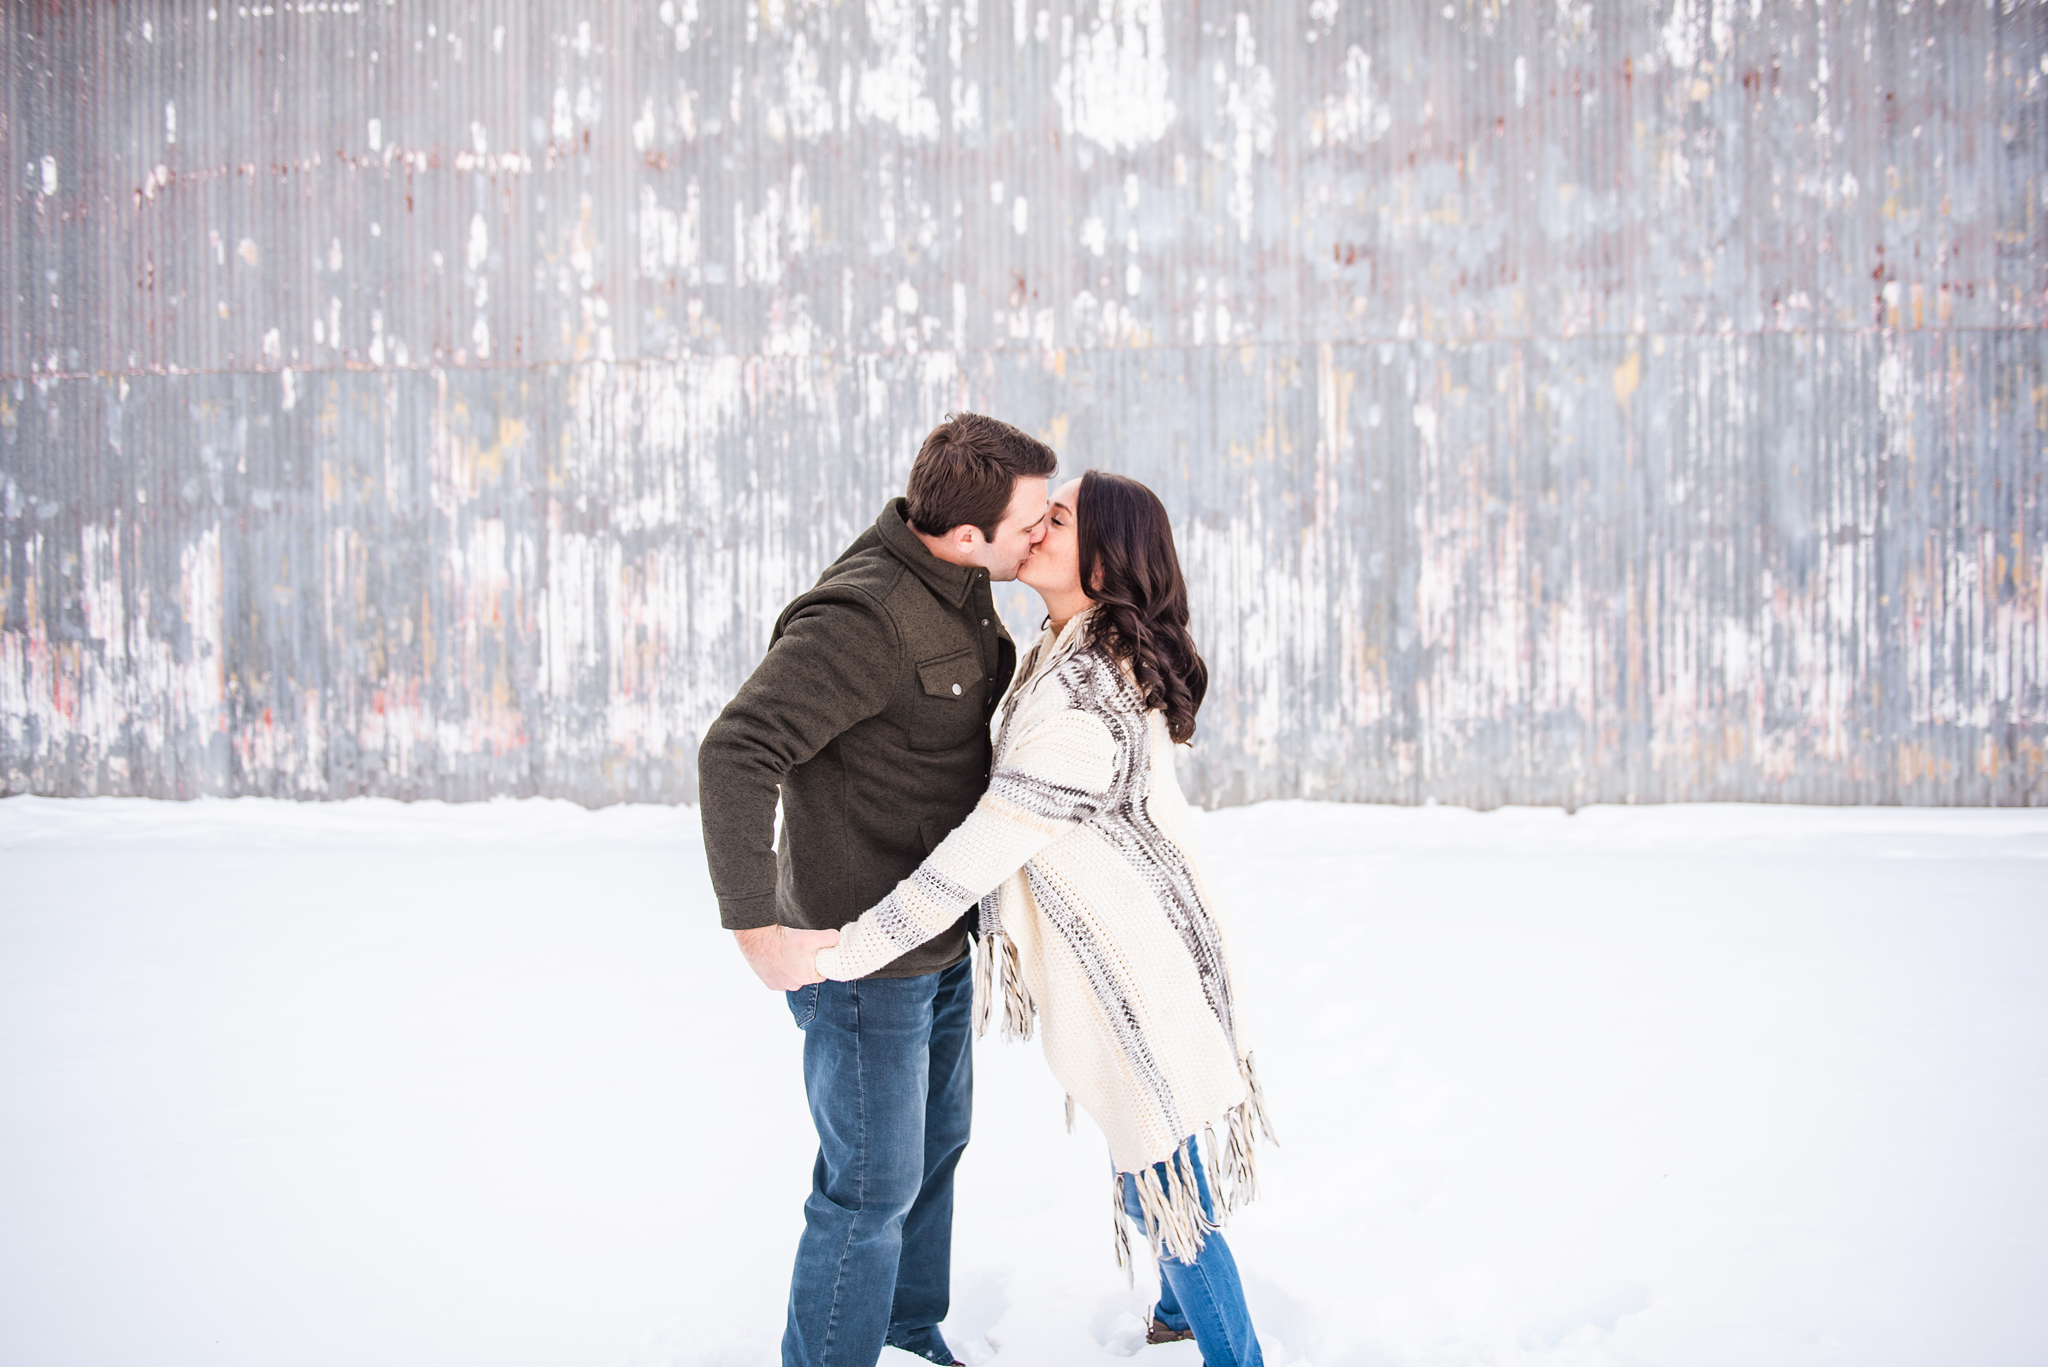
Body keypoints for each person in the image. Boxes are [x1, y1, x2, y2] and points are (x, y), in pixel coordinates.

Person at [815, 470, 1274, 1366]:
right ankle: (1180, 1316)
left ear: (1102, 563)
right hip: (1127, 940)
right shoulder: (1064, 644)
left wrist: (857, 944)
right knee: (1143, 1147)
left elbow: (985, 846)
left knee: (1161, 1173)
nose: (1033, 527)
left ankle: (1236, 1352)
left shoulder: (1084, 692)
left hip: (1136, 957)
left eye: (1056, 518)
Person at [697, 412, 1055, 1367]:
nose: (1045, 531)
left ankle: (903, 1328)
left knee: (936, 1149)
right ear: (968, 532)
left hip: (935, 934)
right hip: (860, 957)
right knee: (869, 1184)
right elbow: (736, 750)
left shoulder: (964, 579)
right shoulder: (865, 619)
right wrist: (755, 928)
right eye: (1030, 522)